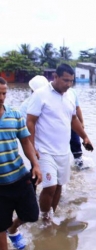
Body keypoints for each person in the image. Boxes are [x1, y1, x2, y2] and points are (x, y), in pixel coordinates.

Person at [26, 64, 94, 224]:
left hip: (63, 151)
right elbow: (30, 122)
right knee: (50, 186)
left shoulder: (70, 95)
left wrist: (84, 136)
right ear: (55, 77)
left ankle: (51, 216)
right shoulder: (40, 95)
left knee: (58, 187)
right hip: (44, 150)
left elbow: (73, 119)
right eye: (65, 80)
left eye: (71, 81)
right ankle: (44, 218)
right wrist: (32, 147)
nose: (68, 84)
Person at [0, 77, 42, 250]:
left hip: (19, 176)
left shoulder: (15, 115)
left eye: (4, 93)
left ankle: (14, 228)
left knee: (32, 215)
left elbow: (25, 142)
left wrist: (36, 165)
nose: (1, 97)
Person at [19, 75, 49, 192]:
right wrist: (32, 147)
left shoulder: (27, 104)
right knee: (35, 167)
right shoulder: (26, 105)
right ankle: (32, 192)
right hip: (34, 142)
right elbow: (24, 131)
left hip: (42, 142)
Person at [69, 88, 88, 171]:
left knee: (76, 143)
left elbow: (77, 108)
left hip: (73, 123)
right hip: (59, 126)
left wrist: (81, 122)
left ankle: (79, 165)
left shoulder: (72, 92)